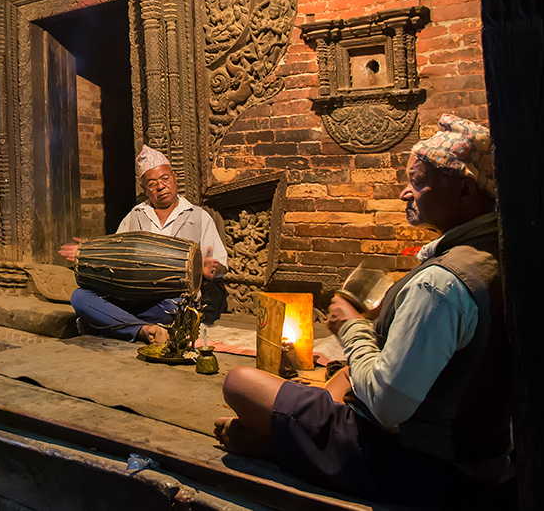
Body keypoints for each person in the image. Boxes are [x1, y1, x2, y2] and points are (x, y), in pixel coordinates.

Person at [213, 115, 512, 508]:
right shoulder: (495, 255)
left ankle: (282, 441)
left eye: (419, 183)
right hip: (478, 455)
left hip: (420, 466)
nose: (407, 193)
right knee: (341, 378)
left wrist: (352, 329)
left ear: (464, 192)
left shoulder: (441, 284)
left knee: (240, 383)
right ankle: (290, 433)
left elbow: (388, 407)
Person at [61, 145, 228, 346]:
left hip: (169, 302)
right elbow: (116, 260)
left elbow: (219, 266)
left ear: (175, 178)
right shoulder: (134, 216)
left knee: (177, 308)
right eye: (152, 183)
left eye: (165, 179)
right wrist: (90, 254)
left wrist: (212, 270)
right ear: (145, 189)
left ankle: (108, 322)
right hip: (130, 299)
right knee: (80, 297)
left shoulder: (199, 216)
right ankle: (143, 329)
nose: (160, 186)